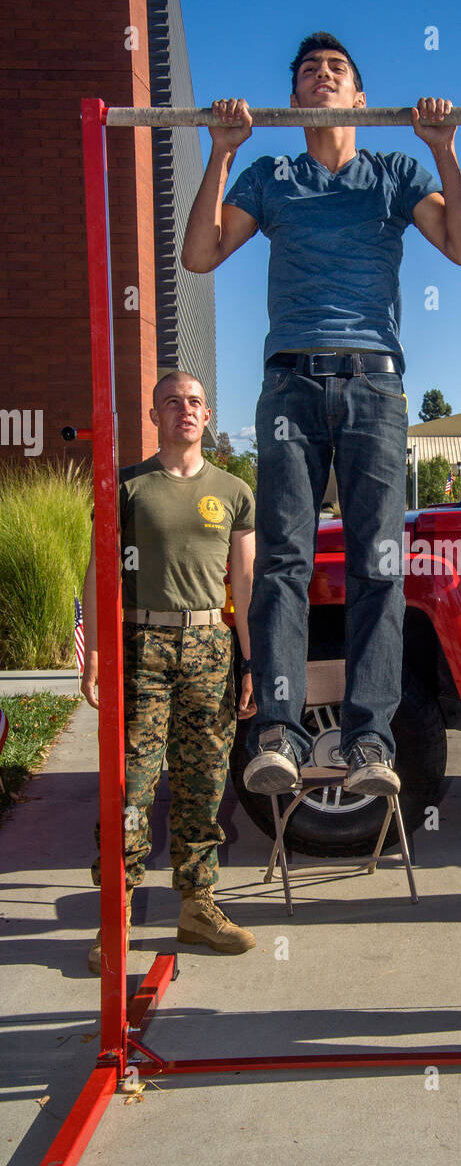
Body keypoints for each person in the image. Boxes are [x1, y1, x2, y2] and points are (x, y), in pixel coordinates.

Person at [181, 32, 461, 800]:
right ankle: (277, 729)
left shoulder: (394, 172)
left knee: (377, 567)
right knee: (282, 560)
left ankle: (371, 742)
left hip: (374, 386)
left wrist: (444, 148)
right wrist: (219, 151)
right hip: (289, 385)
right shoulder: (269, 173)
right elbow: (201, 254)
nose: (322, 76)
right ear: (294, 96)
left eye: (336, 70)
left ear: (357, 97)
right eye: (308, 70)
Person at [81, 371, 257, 970]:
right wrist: (97, 654)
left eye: (197, 402)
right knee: (132, 786)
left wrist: (252, 659)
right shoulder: (129, 486)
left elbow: (245, 584)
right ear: (155, 415)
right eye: (174, 402)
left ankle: (197, 908)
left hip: (210, 645)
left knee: (204, 781)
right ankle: (116, 918)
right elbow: (99, 569)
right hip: (141, 646)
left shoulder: (234, 491)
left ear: (208, 416)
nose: (187, 410)